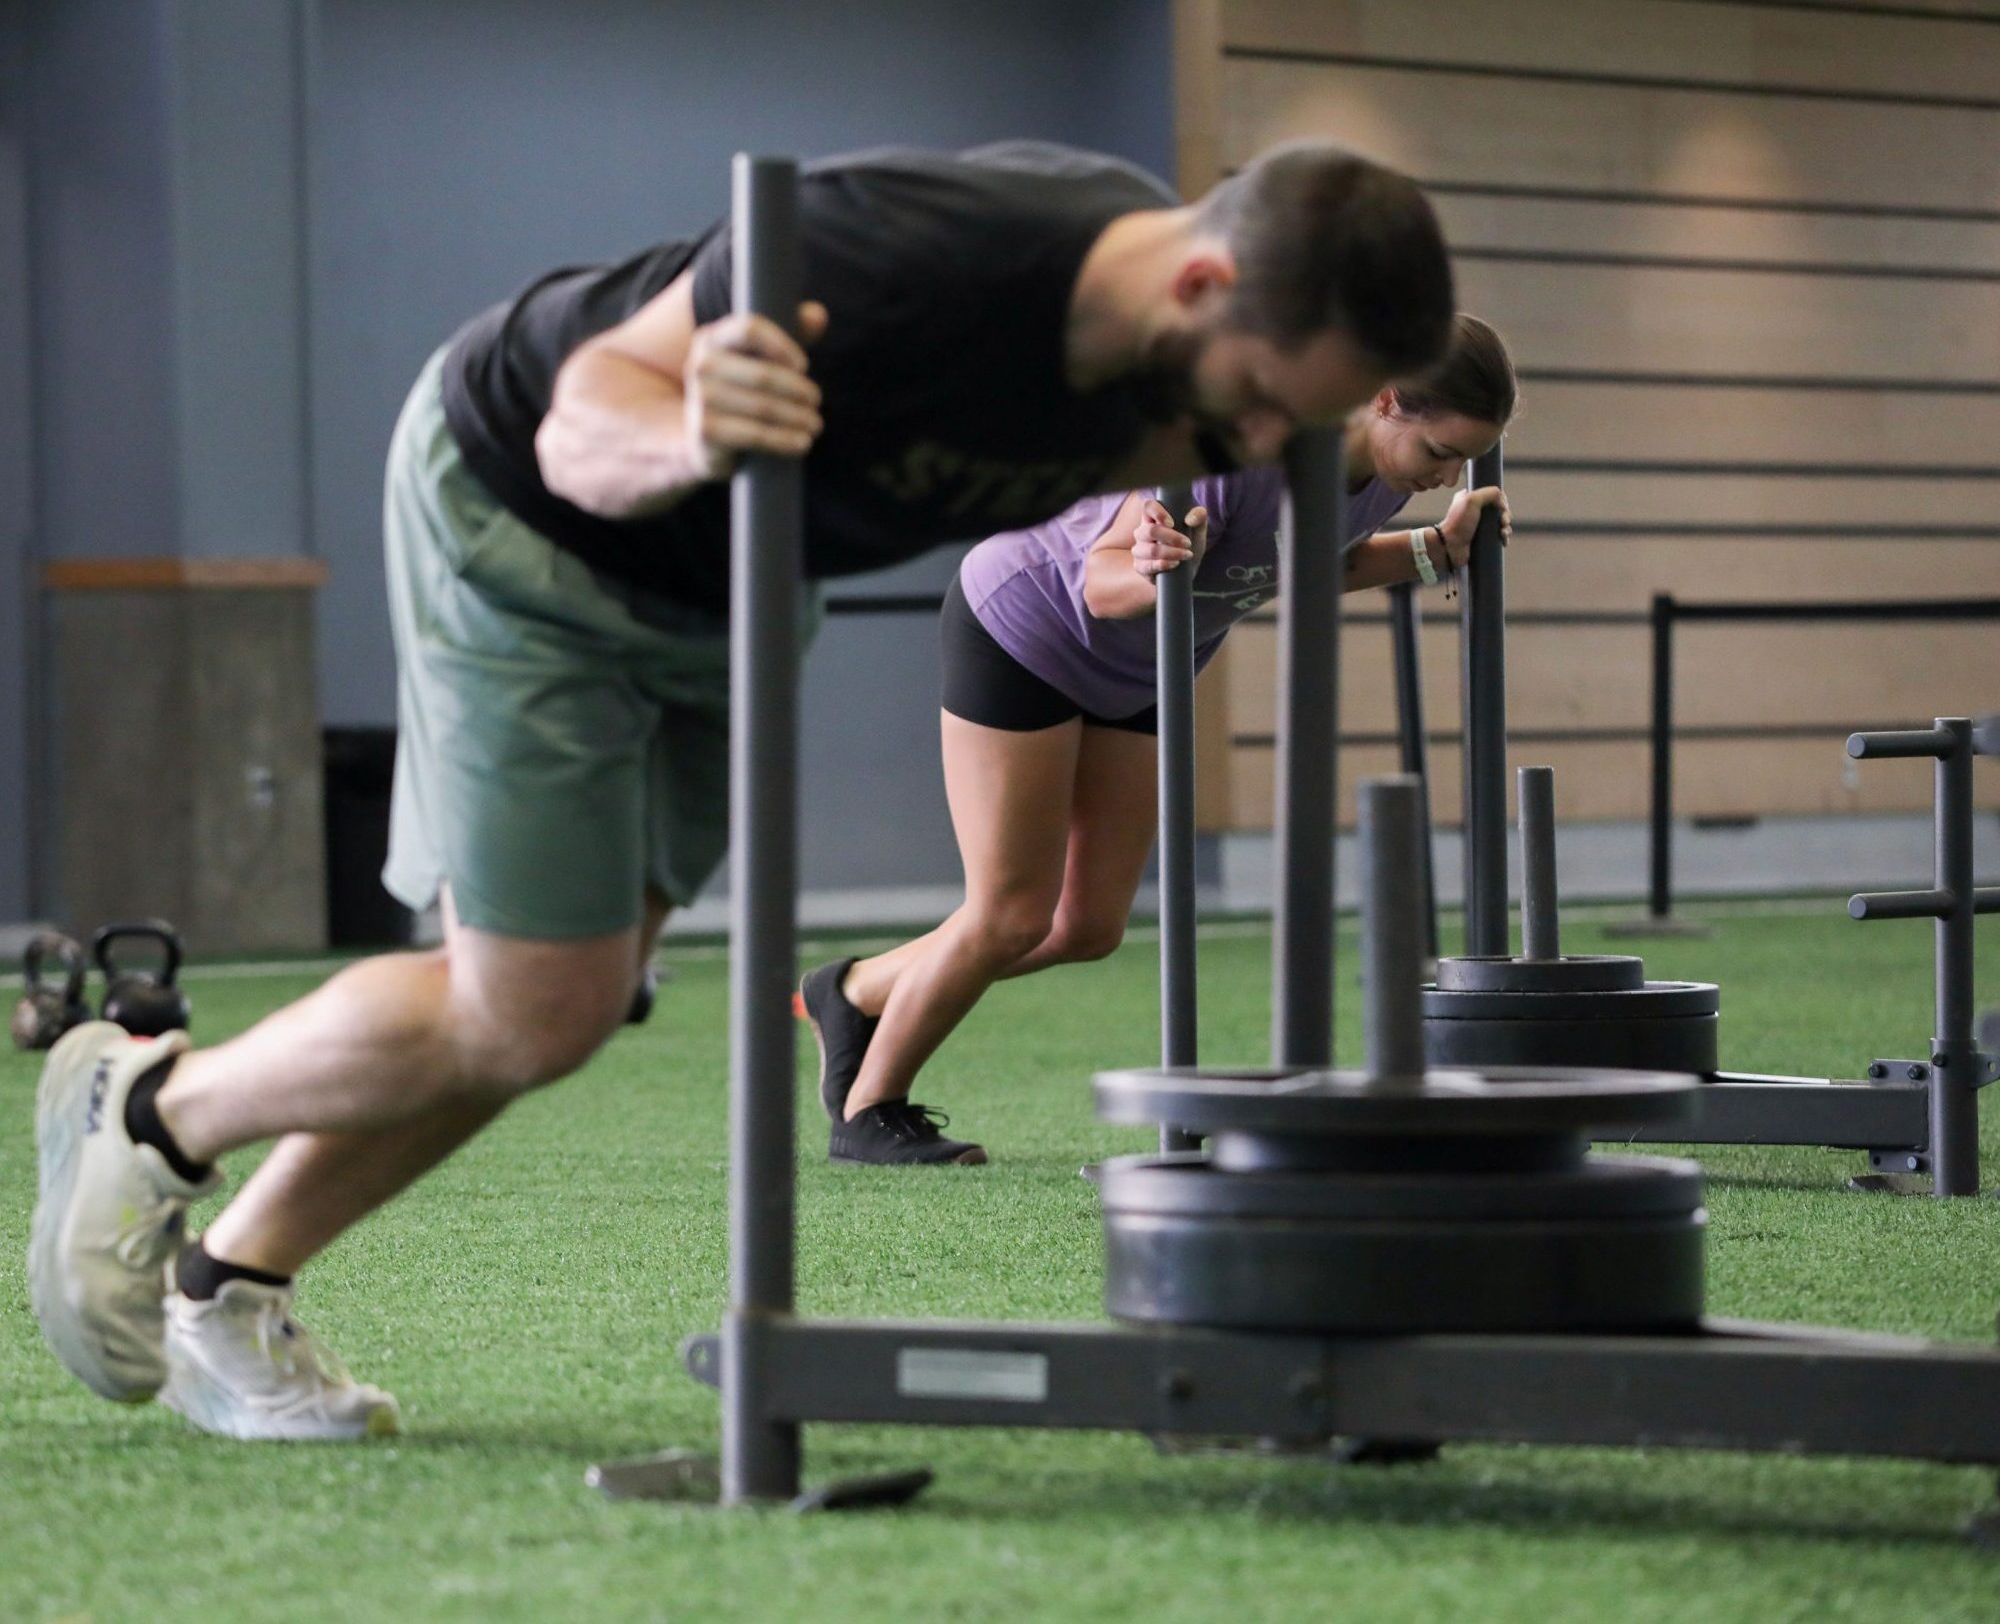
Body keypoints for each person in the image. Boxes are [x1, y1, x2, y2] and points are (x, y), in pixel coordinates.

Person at [29, 138, 1455, 1439]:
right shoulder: (920, 251)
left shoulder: (1211, 399)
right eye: (1271, 405)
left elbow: (1238, 526)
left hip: (739, 586)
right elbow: (583, 420)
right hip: (534, 522)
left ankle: (224, 1286)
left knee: (549, 1007)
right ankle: (151, 1111)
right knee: (539, 996)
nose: (1270, 447)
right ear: (1202, 283)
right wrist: (695, 436)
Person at [801, 316, 1516, 1165]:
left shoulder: (1385, 475)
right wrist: (1148, 564)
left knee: (1086, 927)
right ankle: (870, 1109)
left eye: (1461, 463)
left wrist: (1438, 550)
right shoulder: (1237, 451)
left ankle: (852, 990)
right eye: (1439, 452)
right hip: (1028, 633)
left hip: (1144, 671)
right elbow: (1101, 585)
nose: (1444, 476)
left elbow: (1313, 558)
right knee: (1010, 913)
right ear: (1387, 400)